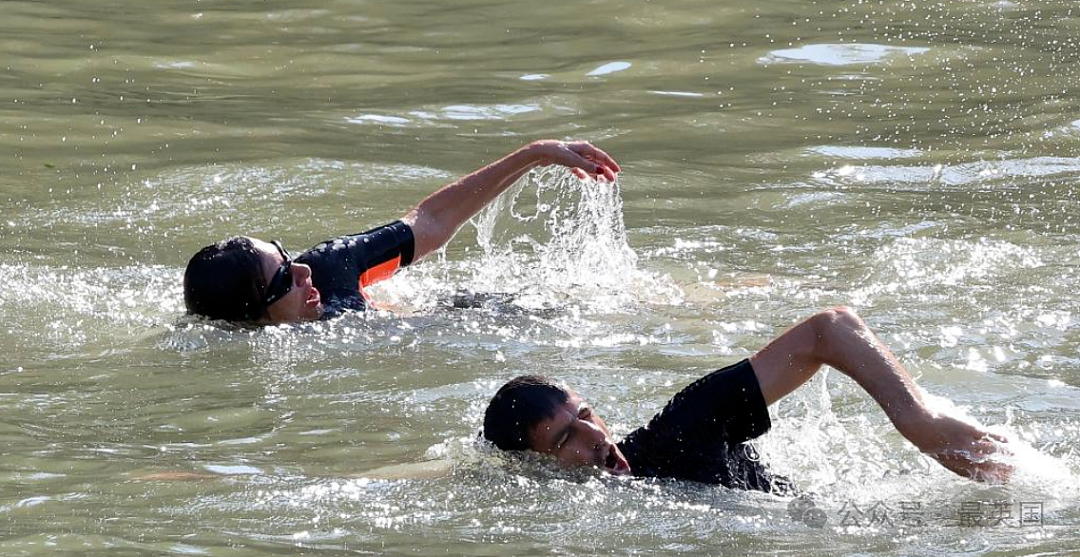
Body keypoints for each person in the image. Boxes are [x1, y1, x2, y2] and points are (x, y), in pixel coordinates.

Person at [482, 308, 1013, 492]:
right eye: (565, 437)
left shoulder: (680, 430)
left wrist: (921, 420)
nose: (596, 436)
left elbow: (828, 330)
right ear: (534, 465)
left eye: (586, 414)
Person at [182, 140, 621, 324]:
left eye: (287, 257)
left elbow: (431, 221)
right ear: (249, 317)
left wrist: (535, 154)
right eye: (284, 279)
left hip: (469, 311)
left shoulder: (329, 266)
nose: (303, 274)